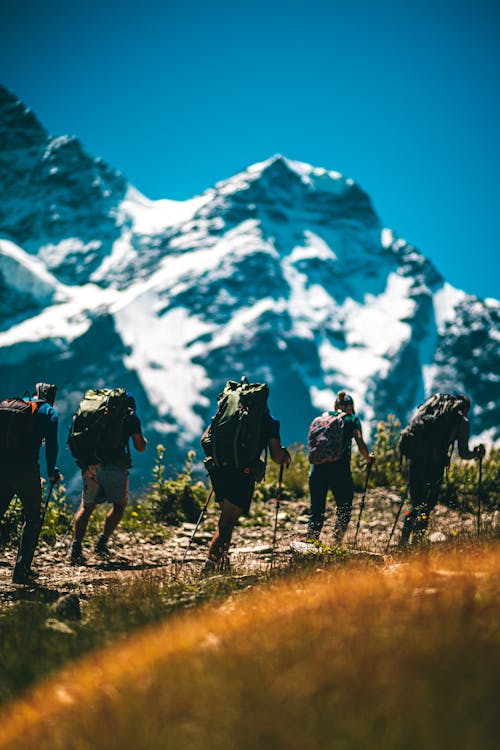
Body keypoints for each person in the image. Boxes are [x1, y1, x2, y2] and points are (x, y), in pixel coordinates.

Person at [201, 389, 290, 572]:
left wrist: (222, 459)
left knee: (226, 518)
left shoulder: (224, 416)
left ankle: (222, 563)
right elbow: (275, 456)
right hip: (242, 473)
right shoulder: (269, 421)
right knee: (227, 521)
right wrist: (284, 457)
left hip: (219, 471)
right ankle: (210, 566)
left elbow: (205, 440)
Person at [70, 391, 147, 564]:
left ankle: (76, 549)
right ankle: (101, 544)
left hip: (90, 464)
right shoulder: (130, 417)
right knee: (119, 505)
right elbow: (140, 447)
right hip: (114, 466)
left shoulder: (96, 416)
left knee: (87, 507)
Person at [400, 394, 485, 545]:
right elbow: (463, 453)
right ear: (465, 408)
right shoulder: (460, 421)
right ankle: (417, 545)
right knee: (426, 506)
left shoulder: (429, 409)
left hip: (415, 459)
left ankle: (403, 542)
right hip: (435, 464)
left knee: (416, 502)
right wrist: (476, 454)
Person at [0, 383, 61, 584]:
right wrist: (51, 472)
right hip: (26, 472)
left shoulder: (15, 405)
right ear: (51, 397)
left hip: (2, 467)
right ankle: (21, 570)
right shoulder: (49, 412)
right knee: (33, 517)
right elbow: (51, 446)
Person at [307, 390, 375, 544]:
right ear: (350, 406)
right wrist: (368, 458)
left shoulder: (322, 418)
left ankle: (309, 547)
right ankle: (336, 544)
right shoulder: (352, 419)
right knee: (344, 508)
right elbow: (359, 440)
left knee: (316, 511)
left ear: (335, 405)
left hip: (316, 470)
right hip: (339, 472)